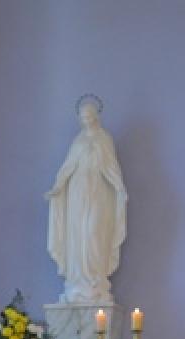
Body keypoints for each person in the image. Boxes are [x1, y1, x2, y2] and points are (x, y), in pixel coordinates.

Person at [45, 94, 128, 305]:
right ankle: (77, 280)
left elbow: (111, 167)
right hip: (77, 192)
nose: (86, 121)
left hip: (99, 192)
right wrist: (57, 187)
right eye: (83, 118)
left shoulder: (104, 139)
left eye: (89, 117)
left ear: (96, 116)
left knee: (93, 231)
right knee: (77, 234)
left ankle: (95, 279)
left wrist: (119, 187)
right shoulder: (78, 141)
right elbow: (67, 167)